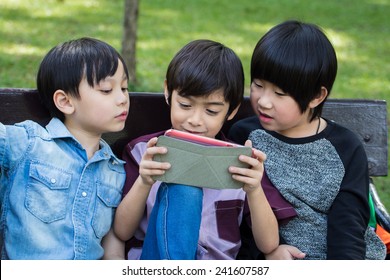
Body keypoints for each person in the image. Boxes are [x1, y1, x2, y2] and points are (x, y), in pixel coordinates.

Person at [114, 39, 289, 260]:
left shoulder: (241, 163)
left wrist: (254, 190)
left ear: (232, 110)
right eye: (185, 105)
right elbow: (122, 231)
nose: (195, 120)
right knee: (184, 189)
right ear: (168, 91)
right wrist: (144, 181)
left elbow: (269, 244)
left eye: (212, 111)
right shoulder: (144, 152)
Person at [228, 20, 386, 260]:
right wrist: (268, 254)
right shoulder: (245, 137)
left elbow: (348, 230)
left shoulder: (345, 148)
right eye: (258, 85)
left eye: (280, 94)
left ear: (316, 96)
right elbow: (237, 214)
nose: (263, 101)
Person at [0, 37, 130, 259]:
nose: (122, 99)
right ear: (66, 102)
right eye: (107, 90)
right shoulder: (29, 143)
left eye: (125, 88)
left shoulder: (115, 171)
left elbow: (112, 248)